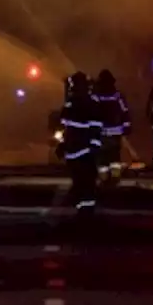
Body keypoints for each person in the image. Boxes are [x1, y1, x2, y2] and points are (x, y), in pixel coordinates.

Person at [58, 72, 102, 219]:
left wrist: (63, 145)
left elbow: (65, 126)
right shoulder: (89, 103)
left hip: (78, 151)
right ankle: (85, 212)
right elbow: (95, 126)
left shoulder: (73, 103)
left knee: (82, 183)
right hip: (82, 150)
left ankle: (84, 212)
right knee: (85, 183)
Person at [92, 69, 131, 180]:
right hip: (115, 132)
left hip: (101, 133)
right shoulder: (118, 96)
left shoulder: (96, 97)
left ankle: (104, 180)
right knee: (114, 157)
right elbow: (125, 112)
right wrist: (126, 128)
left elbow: (91, 114)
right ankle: (115, 179)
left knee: (102, 158)